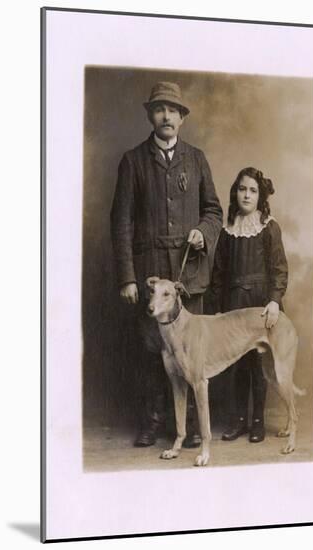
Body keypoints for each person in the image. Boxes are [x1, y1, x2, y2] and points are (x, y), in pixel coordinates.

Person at [110, 81, 223, 448]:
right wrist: (128, 277)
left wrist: (203, 232)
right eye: (159, 109)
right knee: (151, 352)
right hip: (151, 275)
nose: (166, 116)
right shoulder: (133, 160)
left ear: (182, 118)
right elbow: (121, 221)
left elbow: (214, 211)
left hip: (189, 274)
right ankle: (152, 422)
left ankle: (190, 426)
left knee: (192, 354)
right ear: (150, 116)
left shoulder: (197, 158)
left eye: (173, 110)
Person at [211, 167, 288, 443]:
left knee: (258, 364)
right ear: (235, 193)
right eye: (242, 189)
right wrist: (219, 309)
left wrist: (274, 301)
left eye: (253, 190)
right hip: (233, 305)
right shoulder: (227, 229)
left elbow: (279, 269)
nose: (247, 195)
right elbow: (218, 274)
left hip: (259, 303)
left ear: (261, 196)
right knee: (237, 364)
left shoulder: (268, 227)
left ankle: (258, 420)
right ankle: (239, 420)